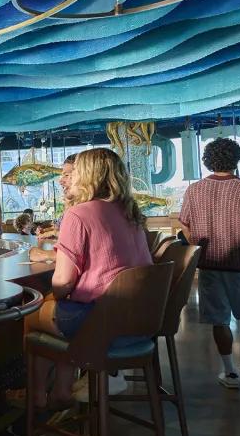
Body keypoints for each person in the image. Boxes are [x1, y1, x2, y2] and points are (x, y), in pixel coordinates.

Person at [27, 149, 153, 411]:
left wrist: (58, 295)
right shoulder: (130, 212)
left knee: (32, 312)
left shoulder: (79, 214)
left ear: (86, 175)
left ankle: (36, 396)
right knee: (58, 309)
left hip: (102, 322)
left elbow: (63, 283)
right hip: (141, 321)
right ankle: (62, 389)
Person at [179, 138, 240, 389]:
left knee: (220, 320)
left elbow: (185, 224)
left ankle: (229, 372)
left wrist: (197, 241)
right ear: (237, 160)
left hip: (209, 264)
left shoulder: (193, 190)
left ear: (207, 161)